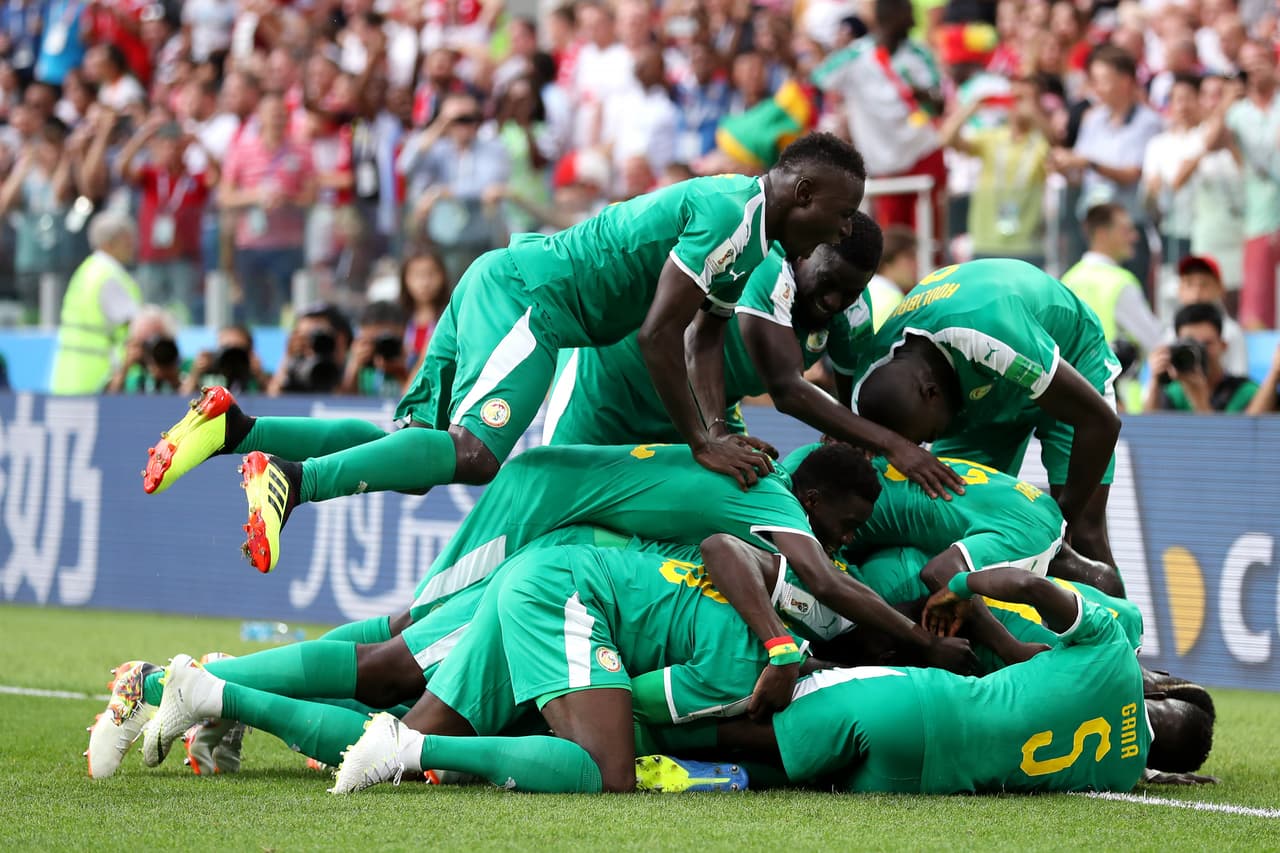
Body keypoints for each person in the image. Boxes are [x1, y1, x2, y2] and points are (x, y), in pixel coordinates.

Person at [141, 134, 943, 577]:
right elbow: (655, 334)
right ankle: (291, 481)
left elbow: (701, 336)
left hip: (516, 285)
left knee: (409, 449)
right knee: (475, 454)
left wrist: (713, 421)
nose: (839, 230)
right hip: (535, 301)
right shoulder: (735, 216)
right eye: (838, 215)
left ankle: (237, 428)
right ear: (802, 194)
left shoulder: (748, 236)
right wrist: (701, 441)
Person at [93, 443, 973, 778]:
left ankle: (211, 691)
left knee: (402, 685)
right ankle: (196, 681)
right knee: (393, 664)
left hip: (569, 562)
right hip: (548, 553)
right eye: (844, 527)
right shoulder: (771, 506)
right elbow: (813, 581)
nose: (843, 547)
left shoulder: (724, 447)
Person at [640, 567, 1215, 793]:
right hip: (920, 782)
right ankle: (706, 777)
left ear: (1160, 691)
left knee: (771, 710)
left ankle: (639, 732)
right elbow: (1134, 759)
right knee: (799, 775)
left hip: (917, 705)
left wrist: (961, 587)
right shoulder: (1120, 776)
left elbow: (1036, 588)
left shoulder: (1114, 651)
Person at [543, 214, 964, 499]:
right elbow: (786, 389)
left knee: (725, 511)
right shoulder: (766, 265)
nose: (834, 300)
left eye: (852, 291)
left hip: (704, 410)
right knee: (556, 505)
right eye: (827, 283)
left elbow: (857, 401)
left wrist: (857, 437)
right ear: (803, 254)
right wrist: (893, 446)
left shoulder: (851, 310)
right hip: (609, 386)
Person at [852, 259, 1123, 567]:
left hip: (1066, 358)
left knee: (1083, 535)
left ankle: (1120, 616)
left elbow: (1101, 422)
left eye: (928, 437)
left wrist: (1060, 528)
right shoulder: (869, 381)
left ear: (931, 393)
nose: (924, 446)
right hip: (980, 388)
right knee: (956, 520)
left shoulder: (987, 333)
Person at [812, 0, 946, 259]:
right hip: (885, 164)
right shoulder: (855, 56)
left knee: (929, 241)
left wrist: (923, 95)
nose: (913, 20)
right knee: (893, 246)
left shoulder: (918, 53)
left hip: (922, 153)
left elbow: (939, 104)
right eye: (906, 12)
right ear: (889, 16)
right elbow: (819, 79)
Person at [1053, 45, 1163, 288]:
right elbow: (1079, 172)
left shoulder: (1148, 123)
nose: (1097, 88)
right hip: (1092, 228)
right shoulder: (1092, 119)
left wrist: (1088, 163)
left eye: (1103, 80)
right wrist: (1062, 166)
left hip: (1127, 229)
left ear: (1125, 81)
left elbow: (1133, 174)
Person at [218, 93, 317, 324]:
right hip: (251, 244)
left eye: (282, 114)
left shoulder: (301, 150)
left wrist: (288, 198)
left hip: (288, 244)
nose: (277, 119)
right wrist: (255, 197)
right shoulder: (241, 150)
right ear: (259, 117)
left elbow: (312, 195)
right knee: (255, 307)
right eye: (272, 114)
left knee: (289, 306)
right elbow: (225, 195)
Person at [940, 75, 1054, 268]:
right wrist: (973, 107)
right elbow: (946, 139)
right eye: (1014, 98)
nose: (1018, 105)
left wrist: (1034, 112)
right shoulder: (992, 137)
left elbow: (1055, 145)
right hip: (986, 241)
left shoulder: (1039, 140)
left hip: (1027, 245)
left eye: (1024, 99)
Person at [117, 115, 218, 323]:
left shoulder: (193, 179)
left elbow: (217, 176)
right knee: (148, 312)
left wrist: (201, 145)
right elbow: (122, 168)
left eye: (176, 147)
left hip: (184, 258)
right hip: (151, 258)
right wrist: (142, 137)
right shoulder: (152, 176)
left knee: (183, 313)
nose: (171, 152)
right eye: (166, 146)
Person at [48, 211, 142, 395]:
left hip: (68, 377)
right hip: (98, 380)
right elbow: (138, 326)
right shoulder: (110, 277)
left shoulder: (86, 270)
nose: (132, 244)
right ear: (109, 244)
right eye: (126, 239)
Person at [1224, 40, 1280, 330]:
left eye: (1260, 62)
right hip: (1258, 217)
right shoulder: (1235, 114)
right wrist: (1225, 102)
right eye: (1247, 66)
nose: (1255, 70)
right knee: (1257, 306)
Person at [1061, 203, 1163, 358]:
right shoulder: (1120, 282)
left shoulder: (1068, 279)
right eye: (1126, 230)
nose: (1134, 236)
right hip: (1115, 378)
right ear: (1102, 234)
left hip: (1075, 379)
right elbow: (1155, 342)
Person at [1144, 302, 1257, 414]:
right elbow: (1148, 428)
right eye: (1190, 344)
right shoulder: (1173, 392)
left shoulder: (1244, 392)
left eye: (1206, 344)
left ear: (1223, 346)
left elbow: (1232, 432)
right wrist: (1155, 381)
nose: (1199, 352)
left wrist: (1199, 400)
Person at [104, 305, 186, 394]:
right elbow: (107, 400)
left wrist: (173, 377)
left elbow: (194, 401)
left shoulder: (186, 368)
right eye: (145, 344)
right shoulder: (131, 375)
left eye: (157, 342)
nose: (153, 350)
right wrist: (125, 368)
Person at [339, 300, 411, 398]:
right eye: (372, 343)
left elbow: (417, 406)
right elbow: (342, 404)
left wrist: (403, 374)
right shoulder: (347, 362)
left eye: (387, 342)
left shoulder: (416, 363)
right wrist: (354, 368)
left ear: (403, 334)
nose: (381, 349)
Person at [181, 324, 270, 395]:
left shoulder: (256, 372)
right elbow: (182, 398)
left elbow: (274, 400)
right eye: (226, 347)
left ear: (250, 351)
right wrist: (196, 373)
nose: (232, 355)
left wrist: (260, 376)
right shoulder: (209, 367)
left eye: (237, 350)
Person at [398, 250, 450, 371]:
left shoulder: (449, 319)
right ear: (404, 279)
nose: (425, 283)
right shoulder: (398, 320)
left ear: (443, 276)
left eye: (431, 274)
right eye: (417, 275)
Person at [864, 226, 916, 328]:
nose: (915, 265)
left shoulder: (865, 290)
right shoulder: (894, 300)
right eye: (909, 257)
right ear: (888, 260)